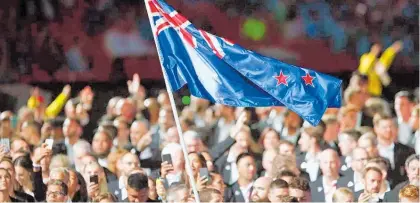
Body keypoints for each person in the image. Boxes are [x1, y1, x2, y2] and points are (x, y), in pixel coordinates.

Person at [373, 114, 415, 187]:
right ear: (376, 128)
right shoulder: (370, 150)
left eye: (391, 126)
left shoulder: (407, 151)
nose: (388, 130)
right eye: (385, 127)